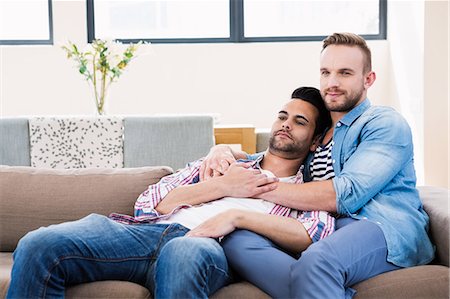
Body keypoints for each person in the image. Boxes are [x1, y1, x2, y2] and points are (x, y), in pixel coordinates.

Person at [6, 87, 333, 299]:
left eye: (300, 121)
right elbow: (148, 205)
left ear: (317, 140)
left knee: (183, 251)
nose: (285, 124)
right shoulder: (221, 162)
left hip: (207, 248)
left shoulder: (307, 191)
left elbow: (313, 235)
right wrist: (222, 186)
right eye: (282, 116)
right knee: (38, 244)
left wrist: (237, 214)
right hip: (145, 235)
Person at [201, 32, 435, 298]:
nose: (332, 83)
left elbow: (345, 194)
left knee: (318, 262)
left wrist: (251, 188)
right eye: (326, 72)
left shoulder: (383, 123)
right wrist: (221, 148)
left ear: (368, 79)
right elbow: (267, 158)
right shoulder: (316, 134)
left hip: (380, 227)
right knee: (238, 240)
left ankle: (317, 279)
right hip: (323, 231)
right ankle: (322, 288)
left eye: (345, 73)